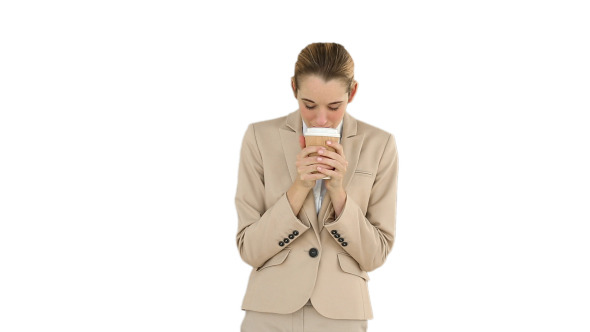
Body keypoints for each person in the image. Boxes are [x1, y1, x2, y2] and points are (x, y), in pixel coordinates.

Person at [235, 42, 399, 332]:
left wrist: (338, 192)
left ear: (353, 93)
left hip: (343, 312)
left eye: (334, 106)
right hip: (270, 308)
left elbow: (375, 254)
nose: (321, 119)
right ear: (293, 88)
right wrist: (300, 187)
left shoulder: (380, 145)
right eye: (309, 105)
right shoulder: (260, 138)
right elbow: (249, 249)